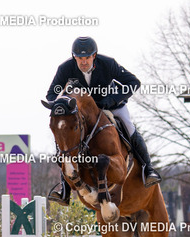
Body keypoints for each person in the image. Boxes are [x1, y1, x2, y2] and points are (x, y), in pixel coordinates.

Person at [46, 36, 161, 206]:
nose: (83, 62)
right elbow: (51, 94)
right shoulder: (65, 68)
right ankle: (65, 189)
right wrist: (61, 103)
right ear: (74, 57)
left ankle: (148, 169)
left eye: (87, 57)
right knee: (66, 139)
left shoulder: (108, 64)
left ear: (94, 55)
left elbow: (133, 82)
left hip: (110, 107)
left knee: (129, 127)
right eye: (79, 58)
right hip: (84, 113)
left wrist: (111, 100)